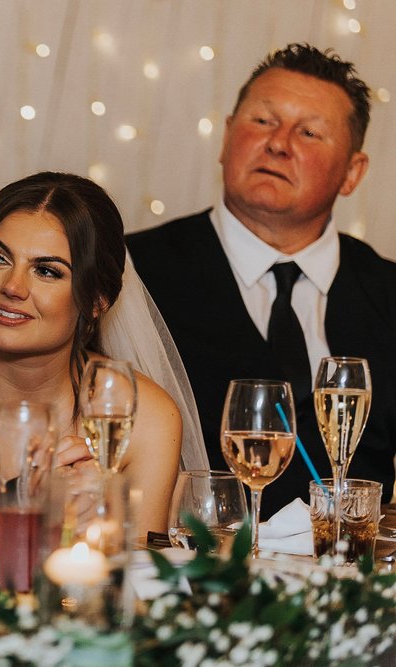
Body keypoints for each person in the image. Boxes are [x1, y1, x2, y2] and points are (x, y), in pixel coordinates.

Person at [127, 44, 396, 518]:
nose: (278, 143)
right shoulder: (131, 270)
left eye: (310, 132)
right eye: (262, 121)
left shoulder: (388, 291)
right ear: (228, 136)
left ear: (353, 173)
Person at [0, 172, 204, 535]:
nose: (12, 287)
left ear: (97, 300)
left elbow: (140, 578)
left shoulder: (143, 417)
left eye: (46, 271)